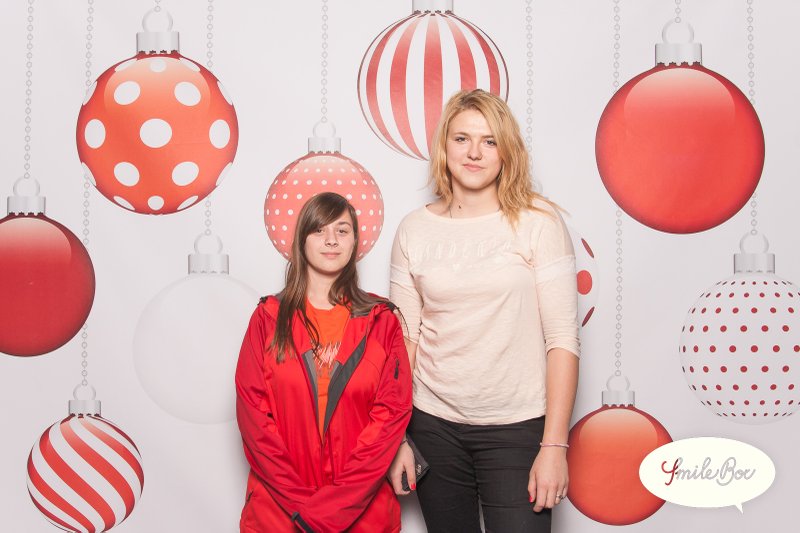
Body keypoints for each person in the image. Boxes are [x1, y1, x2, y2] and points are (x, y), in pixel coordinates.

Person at [388, 89, 580, 532]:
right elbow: (404, 341)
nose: (474, 152)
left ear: (506, 151)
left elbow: (562, 340)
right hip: (432, 425)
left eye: (489, 141)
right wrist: (395, 437)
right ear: (444, 147)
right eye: (462, 139)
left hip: (517, 427)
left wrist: (555, 446)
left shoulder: (539, 222)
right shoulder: (413, 230)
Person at [236, 192, 412, 533]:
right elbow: (255, 423)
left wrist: (334, 508)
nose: (331, 240)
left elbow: (390, 417)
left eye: (342, 230)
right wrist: (304, 509)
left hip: (363, 515)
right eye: (319, 230)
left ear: (355, 241)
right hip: (280, 514)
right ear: (302, 240)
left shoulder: (382, 321)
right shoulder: (267, 319)